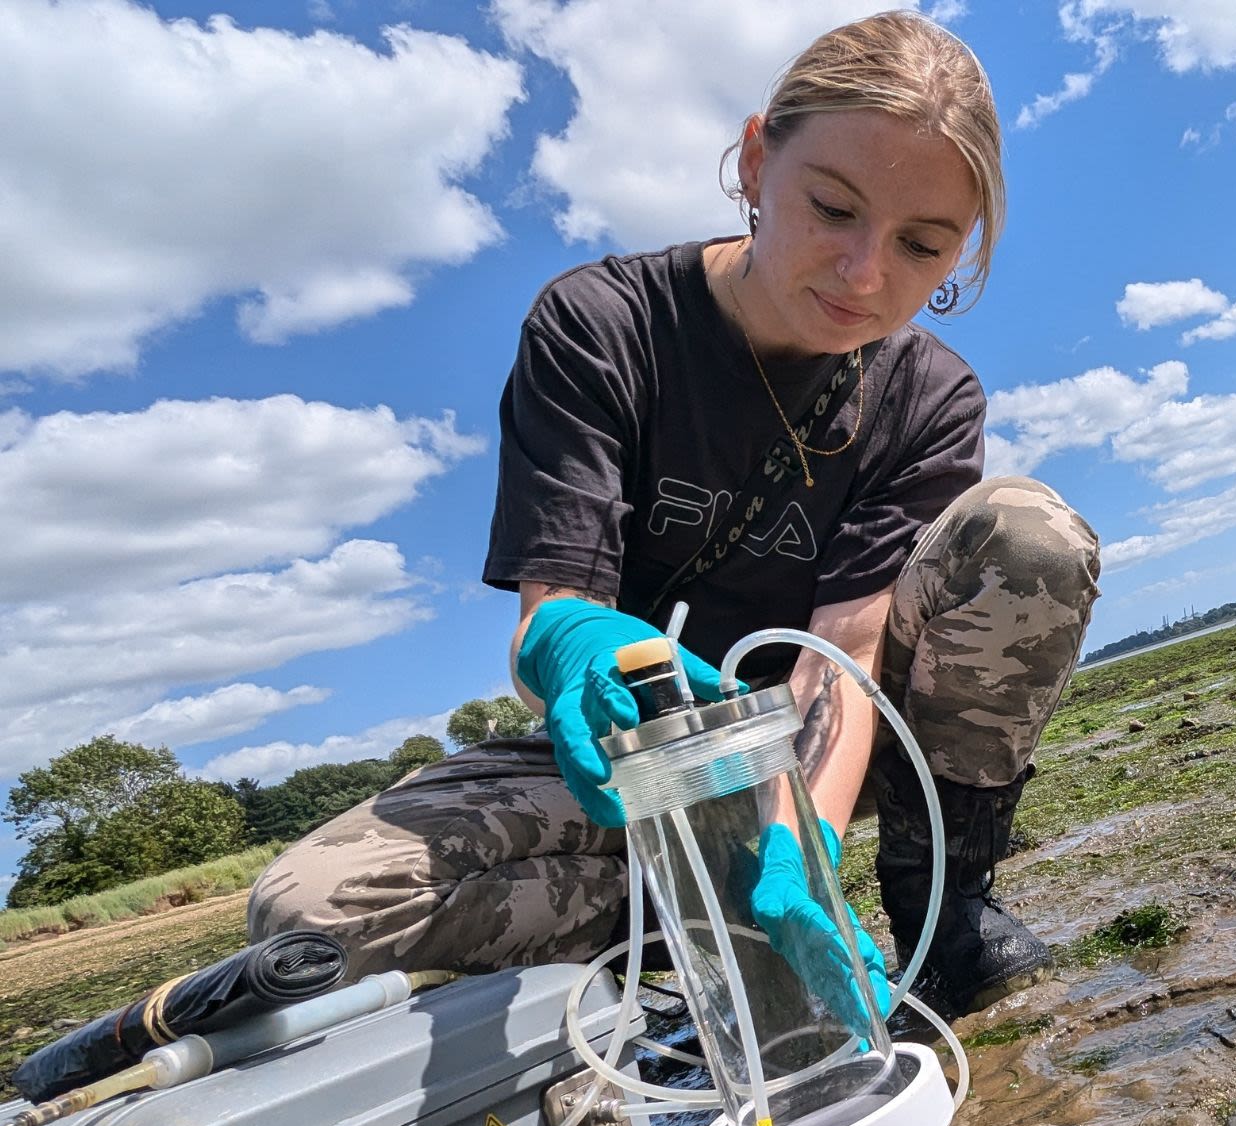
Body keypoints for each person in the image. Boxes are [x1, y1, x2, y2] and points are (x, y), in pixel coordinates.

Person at [247, 12, 1099, 1021]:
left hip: (840, 733)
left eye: (921, 245)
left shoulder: (927, 396)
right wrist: (570, 640)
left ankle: (939, 913)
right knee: (309, 910)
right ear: (754, 162)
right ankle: (703, 925)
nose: (866, 274)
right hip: (652, 757)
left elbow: (844, 654)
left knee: (1024, 532)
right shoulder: (601, 328)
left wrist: (800, 856)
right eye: (833, 209)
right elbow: (550, 619)